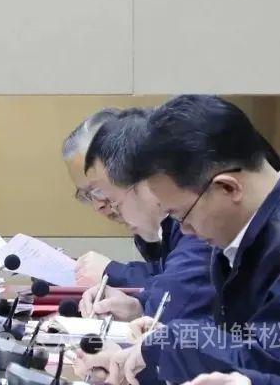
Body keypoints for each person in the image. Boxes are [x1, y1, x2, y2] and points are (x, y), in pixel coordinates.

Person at [83, 95, 280, 385]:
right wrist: (162, 341)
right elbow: (241, 334)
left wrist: (171, 344)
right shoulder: (247, 231)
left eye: (182, 215)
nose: (186, 231)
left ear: (228, 188)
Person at [76, 108, 215, 324]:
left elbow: (170, 306)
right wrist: (138, 307)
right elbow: (166, 285)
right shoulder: (171, 226)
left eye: (112, 199)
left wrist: (115, 274)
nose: (108, 209)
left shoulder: (197, 222)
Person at [176, 177, 280, 385]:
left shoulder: (279, 242)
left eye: (181, 214)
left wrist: (173, 340)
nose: (185, 229)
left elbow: (278, 356)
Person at [64, 108, 171, 289]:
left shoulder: (188, 217)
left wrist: (110, 272)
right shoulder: (147, 224)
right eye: (86, 195)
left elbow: (181, 289)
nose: (98, 206)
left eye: (99, 190)